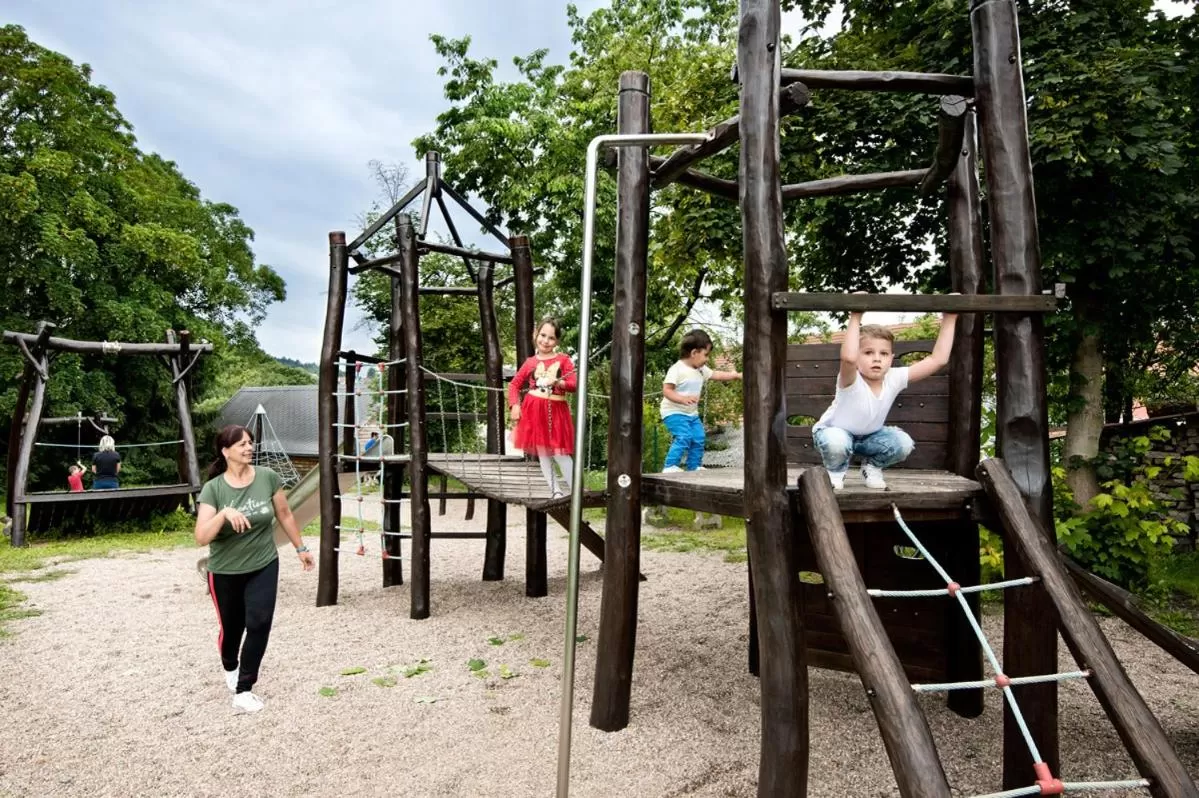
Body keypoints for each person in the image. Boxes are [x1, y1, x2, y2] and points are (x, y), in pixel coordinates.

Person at [194, 424, 315, 713]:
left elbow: (284, 513)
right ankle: (230, 666)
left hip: (263, 563)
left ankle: (244, 688)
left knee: (259, 624)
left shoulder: (267, 478)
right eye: (241, 444)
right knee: (232, 630)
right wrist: (224, 513)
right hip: (224, 570)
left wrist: (301, 548)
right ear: (225, 451)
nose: (249, 448)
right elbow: (201, 537)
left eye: (250, 443)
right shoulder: (214, 489)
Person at [812, 308, 957, 491]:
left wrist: (949, 318)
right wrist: (856, 315)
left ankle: (871, 467)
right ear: (857, 356)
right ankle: (835, 471)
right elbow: (847, 358)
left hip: (869, 438)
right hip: (834, 433)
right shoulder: (850, 379)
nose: (877, 359)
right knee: (837, 441)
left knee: (902, 443)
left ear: (891, 358)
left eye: (884, 354)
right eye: (868, 353)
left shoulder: (893, 377)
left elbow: (938, 360)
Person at [508, 317, 577, 499]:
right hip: (534, 410)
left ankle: (577, 490)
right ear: (536, 335)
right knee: (543, 453)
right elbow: (514, 385)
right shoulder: (530, 362)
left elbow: (573, 384)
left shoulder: (564, 360)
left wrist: (558, 382)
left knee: (560, 452)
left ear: (557, 341)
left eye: (551, 338)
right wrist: (514, 405)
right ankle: (556, 491)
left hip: (556, 410)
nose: (545, 341)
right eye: (543, 335)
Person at [659, 329, 742, 473]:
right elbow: (667, 390)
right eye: (706, 355)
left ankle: (694, 466)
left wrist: (734, 375)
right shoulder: (677, 369)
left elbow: (716, 374)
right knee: (684, 436)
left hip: (691, 414)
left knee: (698, 437)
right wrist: (682, 399)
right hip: (673, 412)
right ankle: (670, 466)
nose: (707, 359)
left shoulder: (701, 369)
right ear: (694, 353)